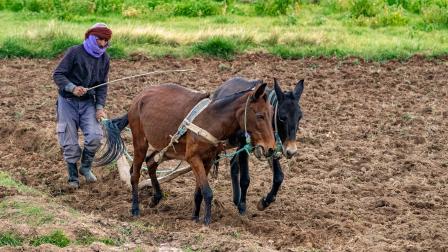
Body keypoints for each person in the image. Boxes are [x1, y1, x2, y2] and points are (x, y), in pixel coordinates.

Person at [53, 23, 112, 189]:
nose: (102, 43)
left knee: (95, 136)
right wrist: (72, 88)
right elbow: (58, 74)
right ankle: (73, 177)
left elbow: (102, 85)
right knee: (70, 141)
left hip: (88, 103)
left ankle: (85, 167)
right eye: (99, 39)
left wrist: (100, 106)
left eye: (105, 40)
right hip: (67, 101)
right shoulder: (75, 52)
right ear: (90, 37)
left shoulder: (104, 58)